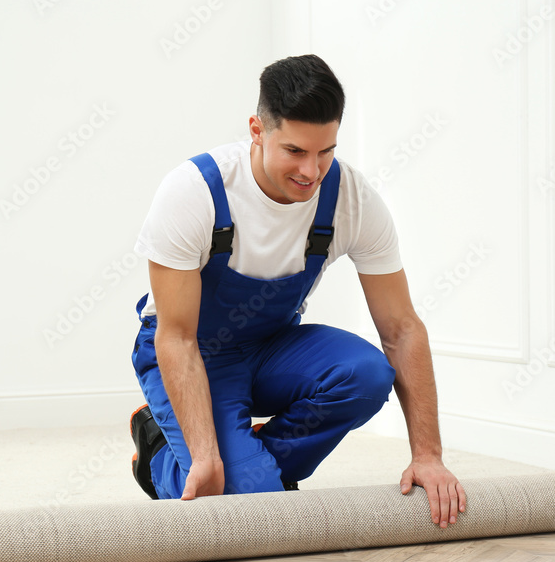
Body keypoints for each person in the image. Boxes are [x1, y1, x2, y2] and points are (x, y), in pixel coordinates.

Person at [129, 54, 466, 529]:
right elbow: (176, 337)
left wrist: (428, 455)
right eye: (294, 151)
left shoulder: (350, 198)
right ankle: (161, 456)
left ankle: (246, 463)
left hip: (269, 347)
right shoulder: (196, 191)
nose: (312, 171)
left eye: (325, 150)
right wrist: (205, 456)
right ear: (256, 129)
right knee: (240, 504)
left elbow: (403, 327)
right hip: (192, 356)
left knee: (368, 372)